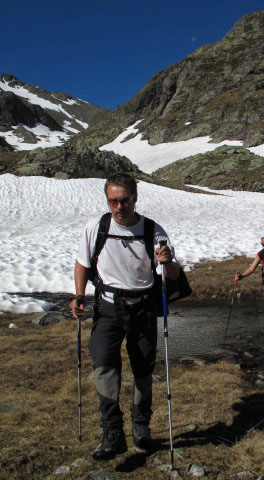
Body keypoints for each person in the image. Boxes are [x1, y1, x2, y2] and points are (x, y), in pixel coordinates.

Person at [71, 172, 180, 460]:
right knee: (105, 367)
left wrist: (167, 262)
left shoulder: (153, 231)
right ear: (108, 200)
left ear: (135, 198)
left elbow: (172, 274)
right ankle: (112, 433)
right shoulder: (97, 227)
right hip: (107, 307)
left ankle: (141, 428)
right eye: (114, 201)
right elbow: (82, 264)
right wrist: (79, 295)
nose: (120, 206)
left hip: (142, 307)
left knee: (143, 369)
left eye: (125, 200)